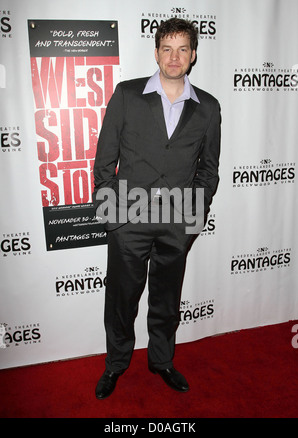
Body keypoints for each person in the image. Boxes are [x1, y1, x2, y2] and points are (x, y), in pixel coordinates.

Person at [92, 18, 221, 399]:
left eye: (183, 49)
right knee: (122, 299)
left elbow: (209, 169)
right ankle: (115, 364)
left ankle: (162, 360)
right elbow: (104, 163)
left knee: (167, 299)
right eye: (167, 48)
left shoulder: (208, 107)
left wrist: (191, 220)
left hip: (176, 223)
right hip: (127, 219)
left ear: (193, 54)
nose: (174, 56)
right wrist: (113, 218)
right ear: (156, 53)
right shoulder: (128, 95)